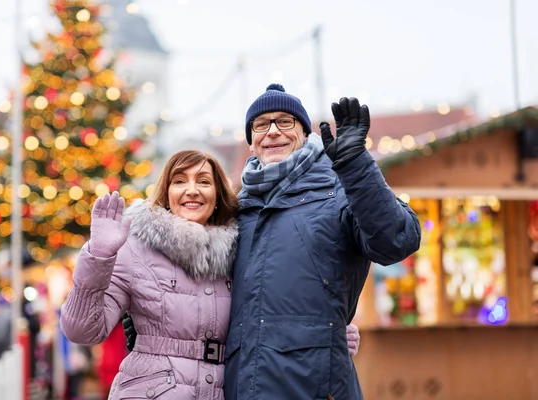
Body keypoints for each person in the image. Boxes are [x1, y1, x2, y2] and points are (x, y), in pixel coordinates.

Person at [221, 84, 421, 400]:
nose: (272, 132)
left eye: (285, 122)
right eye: (261, 125)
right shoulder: (236, 210)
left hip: (312, 388)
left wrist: (356, 166)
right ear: (251, 141)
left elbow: (396, 240)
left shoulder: (339, 193)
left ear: (304, 133)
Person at [60, 150, 240, 399]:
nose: (192, 190)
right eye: (179, 181)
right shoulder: (135, 250)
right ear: (166, 194)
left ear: (218, 196)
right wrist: (98, 257)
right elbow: (82, 331)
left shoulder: (236, 255)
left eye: (204, 181)